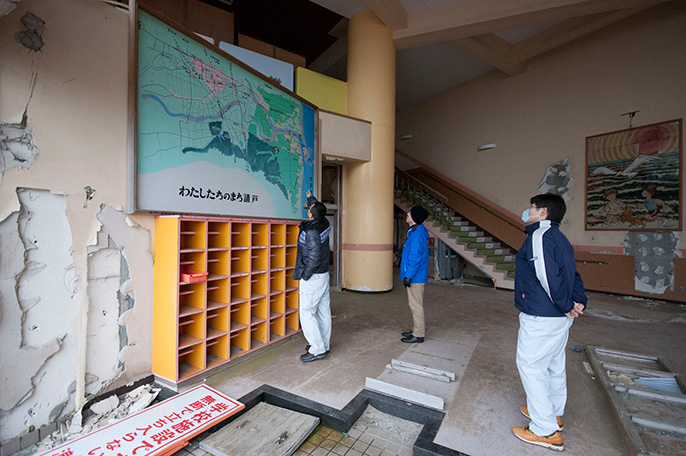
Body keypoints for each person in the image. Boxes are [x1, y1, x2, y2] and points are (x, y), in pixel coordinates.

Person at [512, 193, 587, 452]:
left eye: (531, 208)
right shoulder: (561, 238)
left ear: (543, 212)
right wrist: (577, 301)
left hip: (542, 315)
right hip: (557, 318)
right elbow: (572, 273)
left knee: (530, 365)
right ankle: (552, 413)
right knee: (553, 365)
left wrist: (567, 304)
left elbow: (547, 276)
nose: (528, 212)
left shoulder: (539, 237)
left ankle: (545, 430)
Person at [293, 190, 332, 362]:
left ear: (311, 214)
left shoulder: (312, 232)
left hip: (313, 277)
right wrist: (311, 199)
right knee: (323, 311)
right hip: (323, 275)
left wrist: (305, 275)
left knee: (307, 313)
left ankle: (316, 349)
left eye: (310, 208)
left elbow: (313, 257)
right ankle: (324, 344)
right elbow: (318, 209)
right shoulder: (325, 222)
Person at [399, 205, 430, 344]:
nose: (407, 213)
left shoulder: (417, 235)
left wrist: (409, 276)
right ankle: (416, 329)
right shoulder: (415, 231)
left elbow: (415, 258)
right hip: (416, 275)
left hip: (415, 277)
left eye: (410, 213)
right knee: (415, 305)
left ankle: (418, 334)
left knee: (416, 306)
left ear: (415, 217)